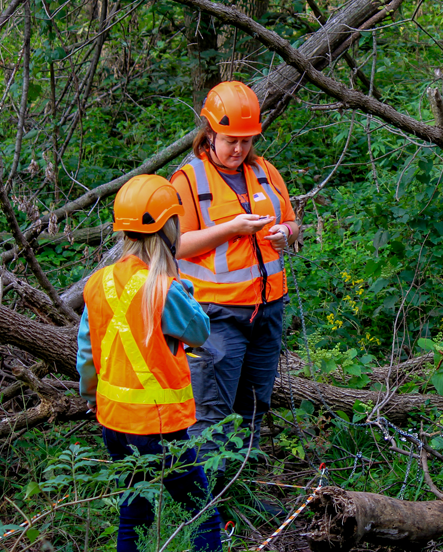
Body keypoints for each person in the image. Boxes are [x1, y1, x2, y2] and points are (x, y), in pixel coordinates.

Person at [76, 174, 222, 552]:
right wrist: (183, 287)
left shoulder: (98, 282)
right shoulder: (165, 288)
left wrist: (93, 397)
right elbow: (199, 331)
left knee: (134, 514)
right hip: (158, 428)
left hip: (113, 423)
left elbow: (87, 354)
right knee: (201, 513)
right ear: (171, 226)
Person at [170, 81, 299, 473]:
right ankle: (208, 512)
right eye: (230, 140)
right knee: (211, 416)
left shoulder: (266, 172)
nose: (239, 149)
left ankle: (240, 494)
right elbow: (175, 246)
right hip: (215, 317)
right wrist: (231, 229)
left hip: (267, 312)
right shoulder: (188, 180)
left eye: (246, 140)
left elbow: (294, 223)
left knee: (253, 408)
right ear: (209, 133)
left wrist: (286, 234)